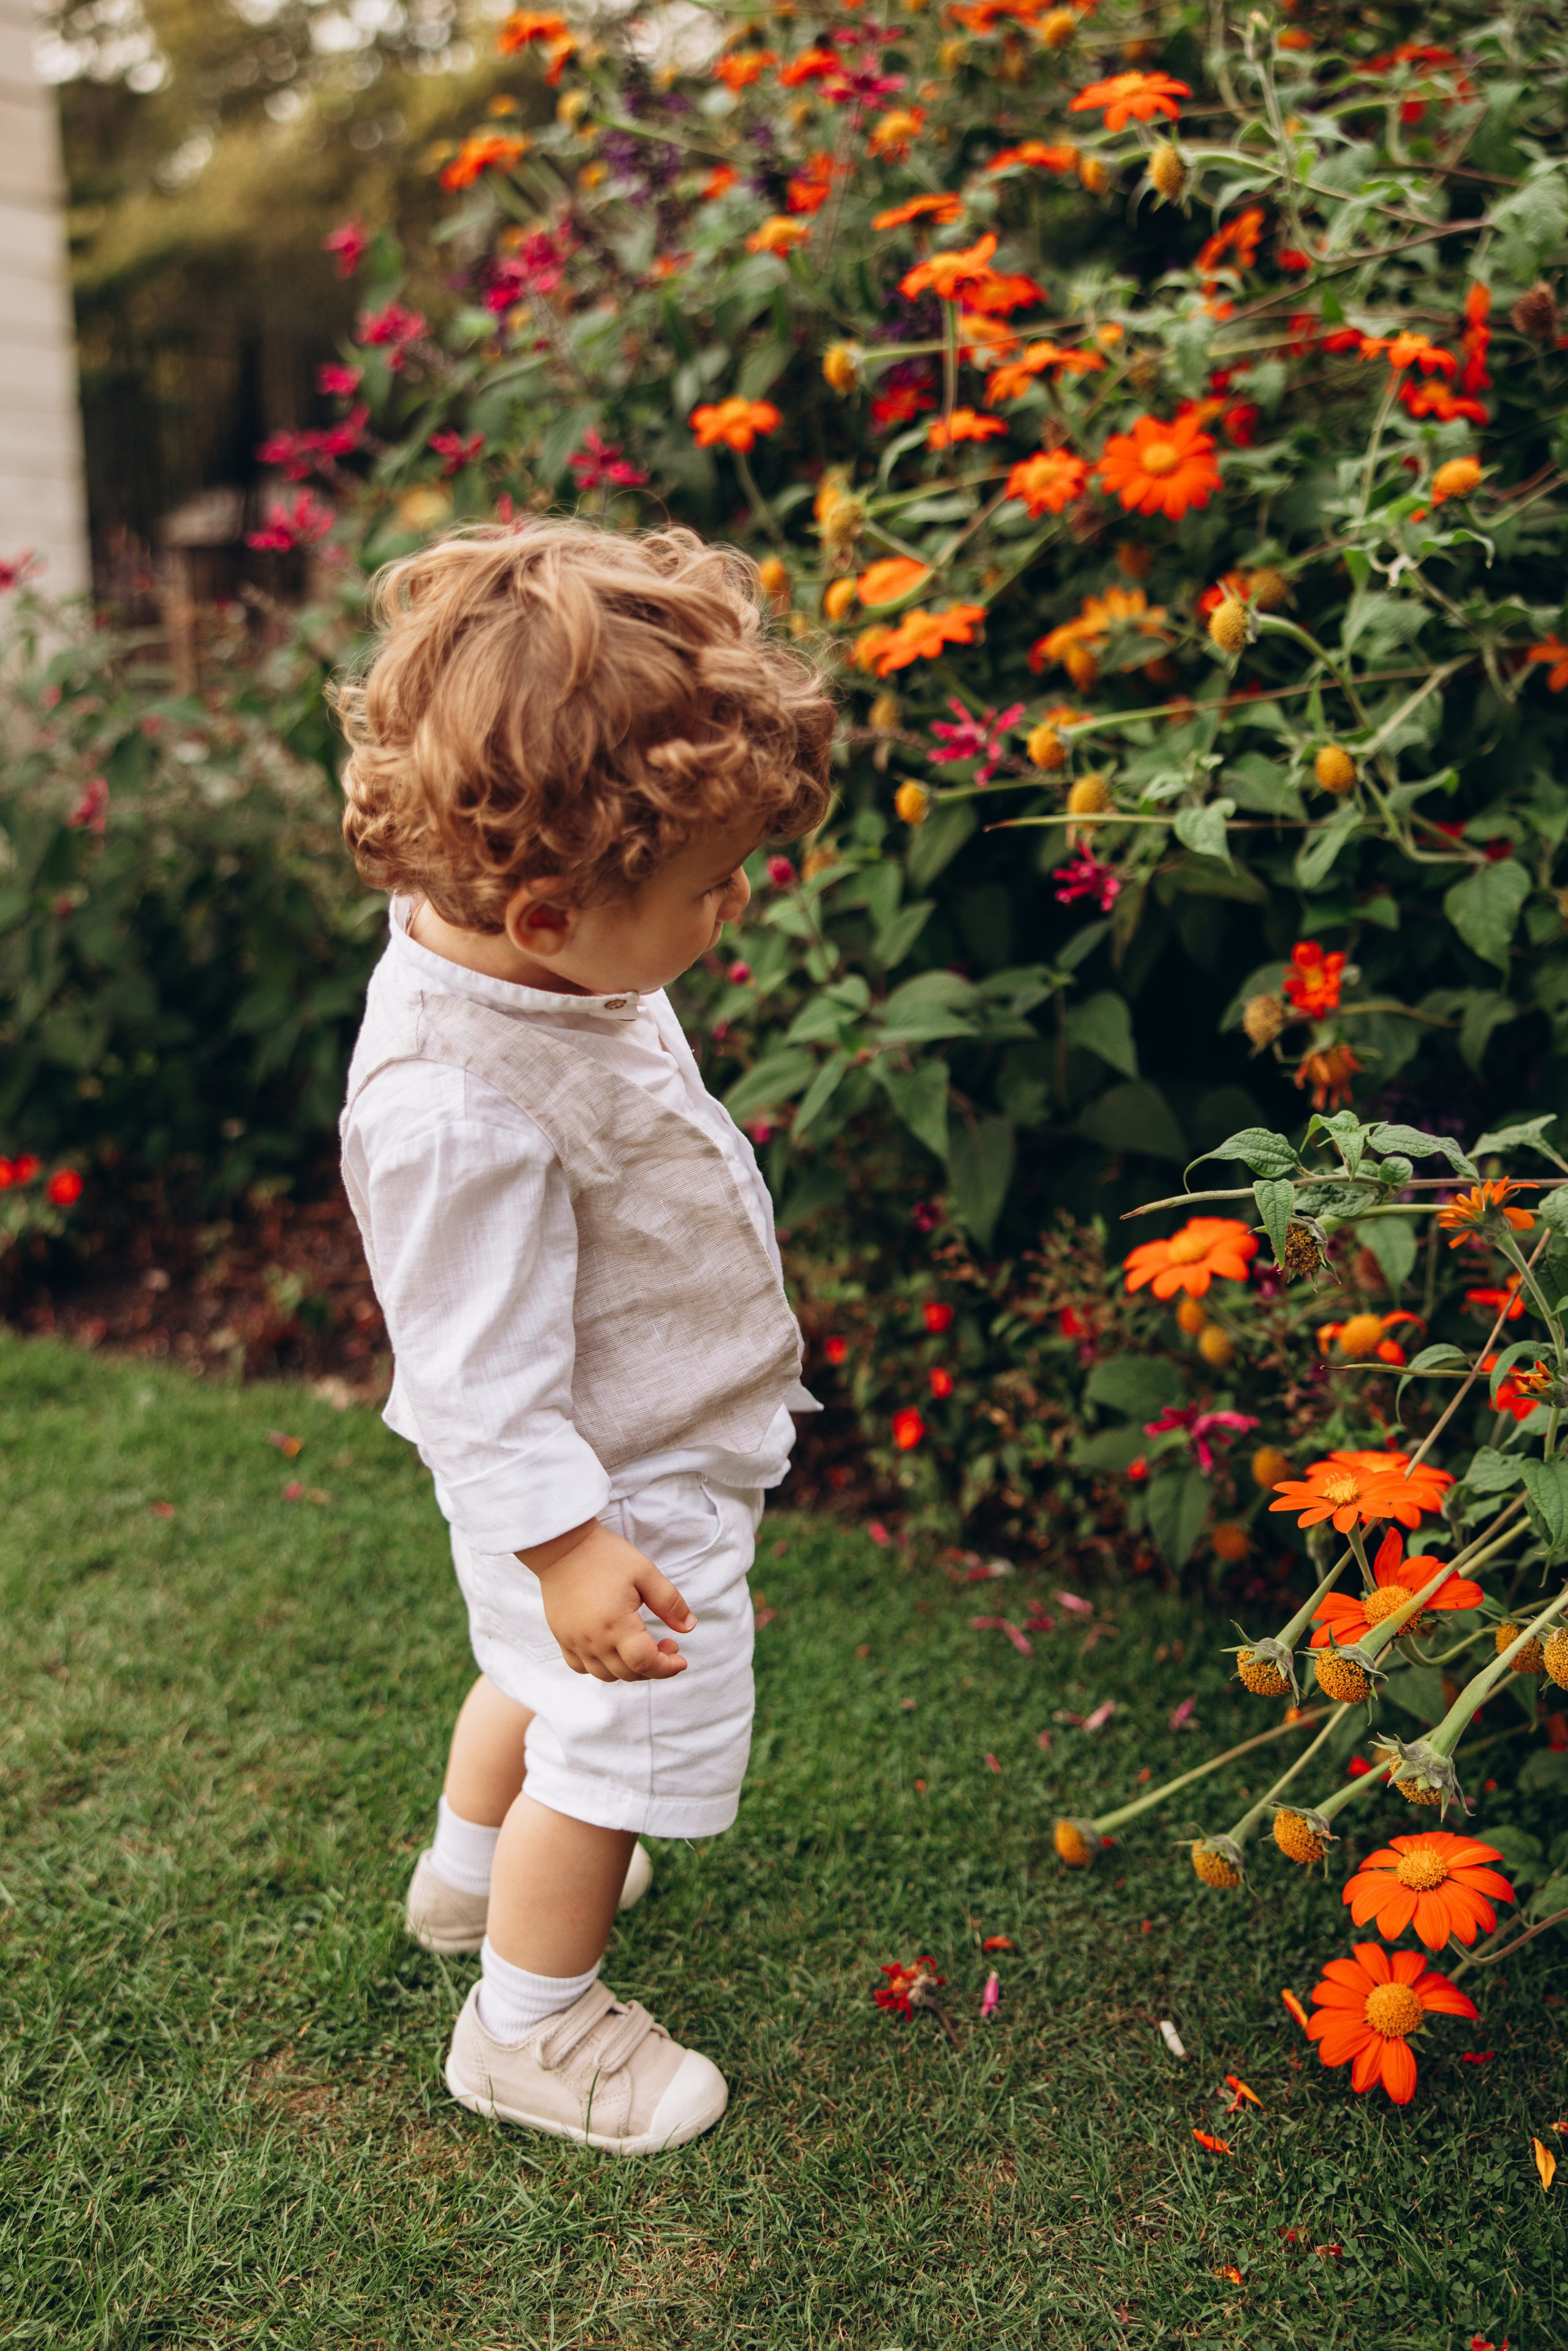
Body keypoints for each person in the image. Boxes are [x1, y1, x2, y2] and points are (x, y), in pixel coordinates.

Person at [335, 521, 834, 2154]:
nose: (728, 910)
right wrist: (573, 1549)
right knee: (617, 1746)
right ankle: (533, 2031)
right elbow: (472, 1375)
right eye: (710, 889)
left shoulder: (520, 956)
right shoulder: (455, 1106)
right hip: (615, 1498)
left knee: (529, 1679)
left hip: (593, 1475)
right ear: (550, 911)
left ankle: (469, 1882)